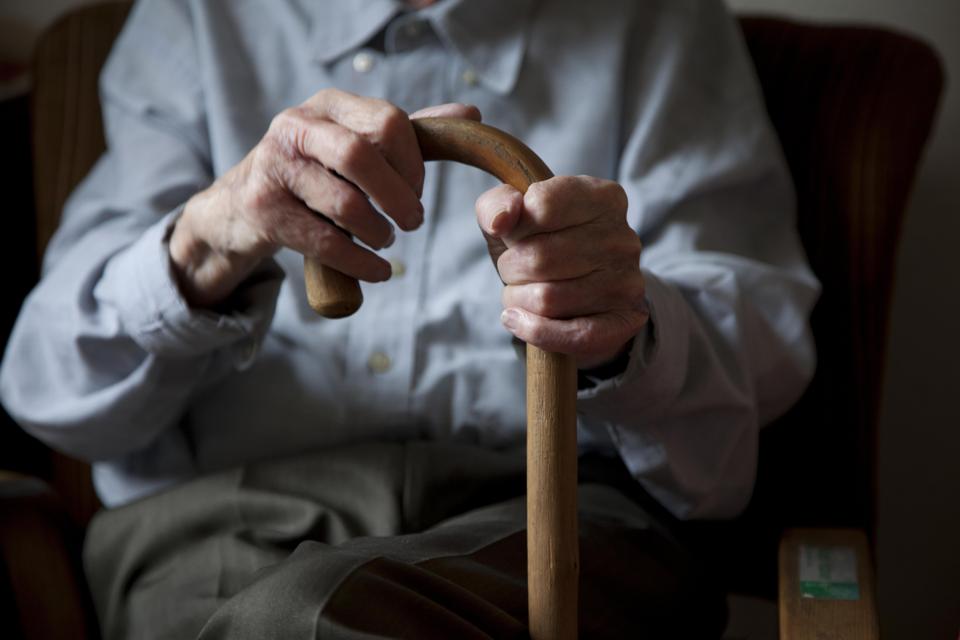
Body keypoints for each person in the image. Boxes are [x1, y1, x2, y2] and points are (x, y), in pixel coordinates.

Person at [0, 0, 819, 637]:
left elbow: (756, 364)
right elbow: (51, 388)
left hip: (558, 520)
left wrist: (617, 321)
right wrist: (216, 233)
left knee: (298, 620)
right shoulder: (196, 16)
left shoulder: (658, 19)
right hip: (220, 525)